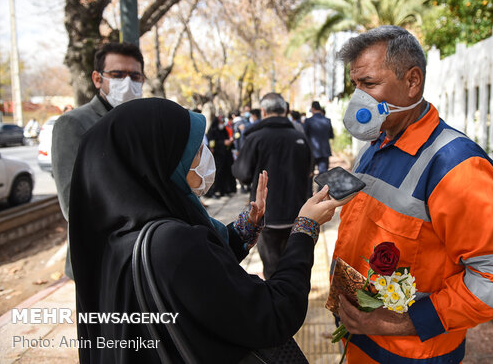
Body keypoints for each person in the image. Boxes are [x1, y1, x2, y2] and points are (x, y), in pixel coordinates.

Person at [68, 98, 343, 363]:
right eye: (194, 150)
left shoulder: (109, 238)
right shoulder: (171, 243)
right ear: (158, 160)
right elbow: (274, 313)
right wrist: (305, 227)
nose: (205, 158)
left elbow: (198, 280)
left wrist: (243, 230)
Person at [332, 26, 493, 363]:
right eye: (356, 86)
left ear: (412, 82)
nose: (358, 99)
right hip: (359, 344)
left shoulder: (456, 167)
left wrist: (403, 323)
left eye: (369, 84)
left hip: (413, 354)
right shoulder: (376, 145)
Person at [52, 42, 144, 279]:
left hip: (143, 254)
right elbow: (73, 203)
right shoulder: (73, 124)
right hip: (100, 260)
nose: (127, 82)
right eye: (117, 75)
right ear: (97, 79)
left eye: (135, 76)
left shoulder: (142, 122)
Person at [232, 93, 313, 279]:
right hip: (299, 215)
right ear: (284, 110)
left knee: (272, 268)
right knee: (297, 268)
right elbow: (310, 170)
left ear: (263, 111)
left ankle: (277, 304)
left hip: (267, 216)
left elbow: (242, 174)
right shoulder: (300, 137)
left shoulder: (255, 138)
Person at [206, 116, 237, 197]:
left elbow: (227, 138)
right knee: (218, 174)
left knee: (226, 172)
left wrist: (230, 141)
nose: (222, 124)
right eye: (220, 123)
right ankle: (215, 191)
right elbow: (211, 143)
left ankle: (226, 189)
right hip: (217, 156)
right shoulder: (212, 131)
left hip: (226, 155)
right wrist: (223, 143)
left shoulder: (224, 130)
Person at [303, 100, 334, 174]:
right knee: (323, 176)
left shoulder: (308, 121)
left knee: (309, 174)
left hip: (311, 151)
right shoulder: (327, 120)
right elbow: (331, 135)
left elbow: (304, 136)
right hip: (324, 151)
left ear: (313, 108)